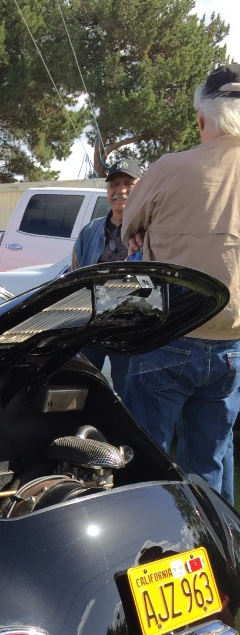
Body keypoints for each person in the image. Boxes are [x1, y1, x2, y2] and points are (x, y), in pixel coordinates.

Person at [122, 62, 240, 504]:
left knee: (143, 458)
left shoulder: (171, 166)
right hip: (232, 346)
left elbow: (126, 227)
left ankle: (142, 552)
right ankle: (213, 556)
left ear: (202, 119)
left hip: (168, 338)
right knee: (209, 464)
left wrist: (142, 232)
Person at [71, 157, 143, 399]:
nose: (120, 191)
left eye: (128, 183)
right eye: (114, 184)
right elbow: (74, 276)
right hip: (91, 327)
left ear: (141, 187)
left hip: (130, 334)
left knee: (129, 400)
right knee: (79, 390)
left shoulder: (151, 233)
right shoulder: (91, 231)